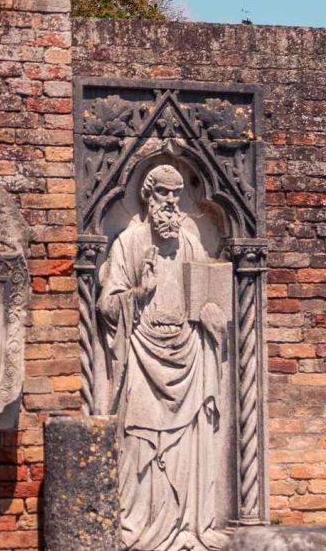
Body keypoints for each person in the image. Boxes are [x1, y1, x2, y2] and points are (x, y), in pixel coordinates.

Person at [98, 165, 229, 551]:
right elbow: (107, 306)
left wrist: (212, 315)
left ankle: (188, 526)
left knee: (189, 445)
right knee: (140, 442)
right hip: (142, 352)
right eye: (163, 193)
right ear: (147, 196)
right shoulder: (128, 242)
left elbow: (207, 294)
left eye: (177, 193)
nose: (171, 202)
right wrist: (139, 292)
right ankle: (138, 527)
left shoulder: (190, 242)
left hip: (188, 354)